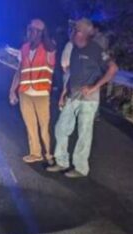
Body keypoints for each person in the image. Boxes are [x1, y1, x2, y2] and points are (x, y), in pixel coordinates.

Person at [47, 18, 118, 178]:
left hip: (88, 100)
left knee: (84, 133)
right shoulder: (74, 49)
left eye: (75, 29)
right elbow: (72, 73)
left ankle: (80, 168)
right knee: (61, 128)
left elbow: (113, 69)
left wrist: (94, 87)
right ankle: (62, 162)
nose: (72, 32)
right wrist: (64, 92)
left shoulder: (97, 50)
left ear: (82, 33)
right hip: (73, 96)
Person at [8, 19, 56, 164]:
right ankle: (35, 153)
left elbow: (53, 53)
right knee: (30, 126)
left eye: (34, 30)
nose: (30, 32)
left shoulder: (49, 48)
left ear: (41, 33)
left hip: (41, 93)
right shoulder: (24, 48)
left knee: (44, 127)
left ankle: (48, 154)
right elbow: (20, 71)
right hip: (25, 93)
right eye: (29, 29)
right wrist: (12, 91)